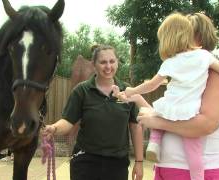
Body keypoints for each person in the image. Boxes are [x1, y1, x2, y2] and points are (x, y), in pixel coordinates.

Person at [114, 12, 219, 180]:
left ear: (195, 35)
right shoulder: (180, 68)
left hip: (197, 171)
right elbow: (171, 113)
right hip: (167, 169)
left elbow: (206, 125)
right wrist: (136, 98)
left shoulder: (214, 73)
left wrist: (157, 122)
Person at [43, 45, 144, 180]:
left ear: (117, 62)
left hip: (117, 164)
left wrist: (139, 162)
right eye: (103, 62)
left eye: (112, 61)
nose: (108, 66)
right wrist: (54, 128)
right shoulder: (82, 91)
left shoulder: (127, 92)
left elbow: (135, 127)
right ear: (94, 64)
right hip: (85, 163)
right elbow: (68, 121)